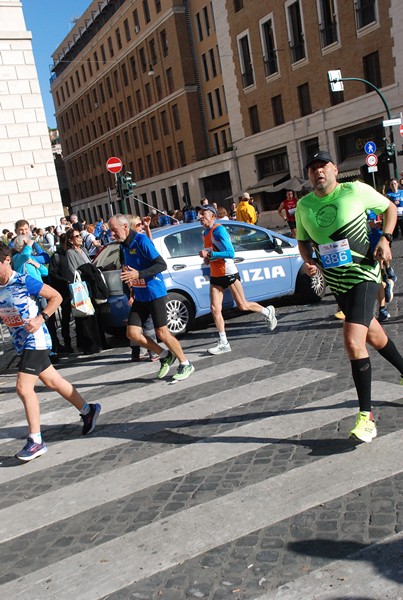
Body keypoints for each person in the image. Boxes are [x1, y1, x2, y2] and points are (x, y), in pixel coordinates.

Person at [295, 149, 403, 444]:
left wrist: (385, 237)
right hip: (336, 281)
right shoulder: (303, 206)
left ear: (334, 169)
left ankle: (366, 418)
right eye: (312, 168)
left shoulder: (355, 190)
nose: (318, 172)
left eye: (323, 166)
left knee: (353, 341)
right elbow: (303, 241)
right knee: (374, 335)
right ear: (308, 175)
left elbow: (390, 210)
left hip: (364, 273)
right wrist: (308, 260)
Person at [0, 242, 101, 461]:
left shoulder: (23, 280)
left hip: (35, 341)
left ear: (6, 259)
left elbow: (56, 297)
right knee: (53, 381)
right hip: (21, 343)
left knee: (23, 387)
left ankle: (36, 441)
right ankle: (88, 410)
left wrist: (40, 318)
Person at [108, 214, 195, 381]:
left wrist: (138, 273)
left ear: (125, 227)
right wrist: (130, 283)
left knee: (162, 333)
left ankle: (186, 363)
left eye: (114, 230)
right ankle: (164, 355)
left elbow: (161, 264)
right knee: (132, 333)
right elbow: (130, 270)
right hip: (140, 296)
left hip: (154, 292)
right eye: (111, 231)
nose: (112, 234)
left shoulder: (141, 241)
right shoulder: (123, 246)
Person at [198, 205, 277, 355]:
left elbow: (230, 253)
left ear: (213, 216)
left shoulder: (219, 230)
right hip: (215, 275)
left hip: (228, 273)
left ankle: (267, 311)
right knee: (215, 309)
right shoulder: (205, 232)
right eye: (199, 214)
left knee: (243, 305)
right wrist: (206, 258)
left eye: (204, 214)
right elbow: (211, 255)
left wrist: (210, 255)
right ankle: (224, 342)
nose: (200, 216)